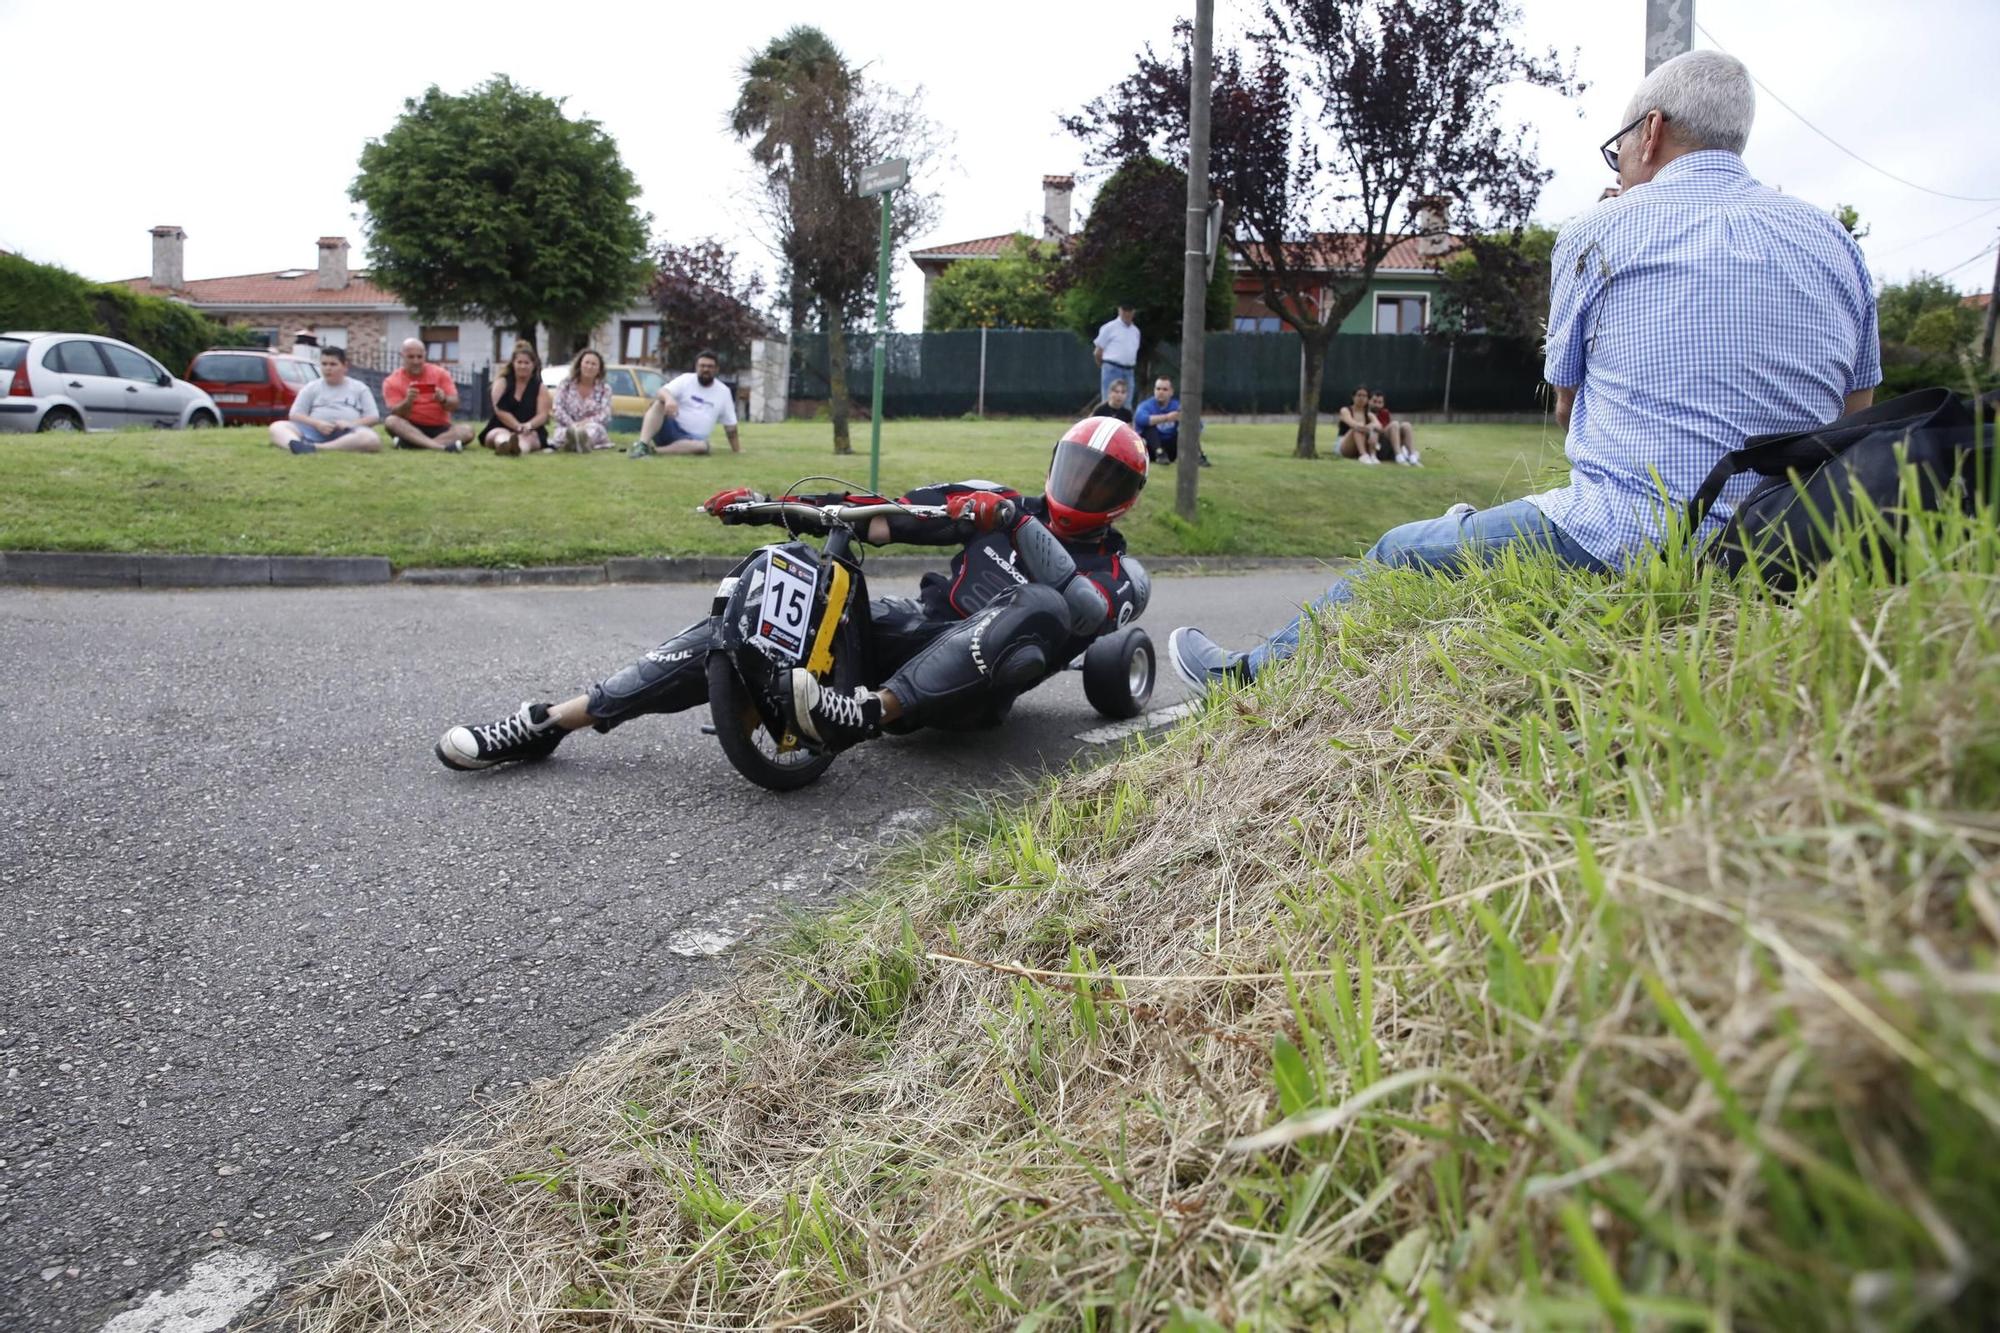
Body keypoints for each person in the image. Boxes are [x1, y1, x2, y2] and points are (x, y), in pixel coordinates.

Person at [1167, 49, 1879, 691]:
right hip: (1785, 541)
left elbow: (1567, 406)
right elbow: (1857, 415)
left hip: (1622, 535)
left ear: (1651, 132)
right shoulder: (1835, 242)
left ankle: (1243, 679)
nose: (1621, 163)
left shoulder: (1599, 232)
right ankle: (1467, 527)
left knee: (1399, 550)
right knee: (1469, 527)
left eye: (1619, 148)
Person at [435, 417, 1153, 769]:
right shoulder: (992, 499)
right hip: (917, 635)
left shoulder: (1120, 576)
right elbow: (885, 516)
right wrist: (771, 506)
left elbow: (1084, 611)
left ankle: (866, 711)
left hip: (981, 683)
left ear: (1122, 501)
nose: (1084, 486)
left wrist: (1014, 522)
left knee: (1046, 605)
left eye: (1103, 481)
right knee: (780, 604)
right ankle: (554, 721)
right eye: (1077, 467)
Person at [269, 346, 380, 453]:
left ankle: (317, 447)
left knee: (371, 439)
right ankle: (295, 445)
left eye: (333, 364)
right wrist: (317, 423)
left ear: (345, 366)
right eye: (324, 364)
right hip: (312, 431)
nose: (328, 368)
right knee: (277, 427)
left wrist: (351, 424)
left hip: (347, 433)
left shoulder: (360, 388)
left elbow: (373, 417)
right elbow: (295, 414)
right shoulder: (311, 387)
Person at [632, 350, 740, 457]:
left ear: (717, 369)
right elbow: (661, 391)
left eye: (710, 366)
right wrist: (669, 399)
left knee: (703, 446)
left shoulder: (723, 392)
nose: (706, 369)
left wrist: (737, 450)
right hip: (670, 429)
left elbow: (730, 426)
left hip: (692, 440)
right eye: (702, 366)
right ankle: (642, 444)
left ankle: (654, 451)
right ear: (696, 367)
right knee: (659, 403)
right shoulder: (685, 379)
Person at [382, 338, 474, 452]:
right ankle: (441, 447)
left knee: (467, 430)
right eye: (411, 357)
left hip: (440, 427)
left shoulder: (440, 373)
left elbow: (455, 404)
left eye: (419, 357)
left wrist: (443, 399)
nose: (416, 361)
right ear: (402, 357)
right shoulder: (391, 381)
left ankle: (414, 444)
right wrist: (408, 400)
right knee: (391, 421)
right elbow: (395, 413)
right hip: (410, 426)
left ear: (425, 356)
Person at [481, 340, 551, 455]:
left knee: (529, 438)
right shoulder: (502, 382)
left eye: (526, 363)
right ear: (513, 363)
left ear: (533, 365)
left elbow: (542, 415)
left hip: (530, 429)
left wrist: (528, 425)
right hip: (501, 426)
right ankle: (504, 445)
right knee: (500, 434)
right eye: (519, 362)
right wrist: (517, 426)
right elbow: (499, 410)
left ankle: (518, 449)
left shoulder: (540, 387)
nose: (523, 366)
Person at [550, 348, 615, 452]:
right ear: (580, 365)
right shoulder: (565, 384)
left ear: (599, 369)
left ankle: (580, 442)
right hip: (567, 426)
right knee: (562, 433)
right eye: (587, 363)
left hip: (591, 427)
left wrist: (585, 423)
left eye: (594, 364)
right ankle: (574, 441)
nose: (589, 367)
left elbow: (605, 414)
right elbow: (557, 408)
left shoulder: (605, 389)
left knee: (594, 430)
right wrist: (572, 424)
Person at [1135, 376, 1207, 466]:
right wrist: (1167, 417)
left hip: (1171, 448)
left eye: (1165, 389)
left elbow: (1199, 426)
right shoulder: (1146, 405)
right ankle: (1160, 453)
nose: (1160, 392)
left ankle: (1198, 455)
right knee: (1149, 428)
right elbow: (1140, 419)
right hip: (1152, 448)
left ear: (1171, 392)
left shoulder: (1177, 406)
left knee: (1185, 427)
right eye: (1158, 389)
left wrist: (1185, 419)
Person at [1093, 302, 1140, 406]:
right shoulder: (1109, 328)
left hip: (1129, 370)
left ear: (1133, 312)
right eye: (1124, 310)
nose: (1127, 313)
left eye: (1129, 310)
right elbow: (1098, 352)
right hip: (1112, 368)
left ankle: (1124, 422)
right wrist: (1105, 367)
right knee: (1108, 402)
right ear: (1119, 310)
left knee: (1127, 403)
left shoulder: (1135, 331)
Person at [1336, 385, 1391, 463]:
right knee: (1358, 427)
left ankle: (1373, 456)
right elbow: (1353, 424)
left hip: (1361, 444)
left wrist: (1372, 429)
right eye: (1359, 395)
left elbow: (1379, 427)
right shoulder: (1345, 410)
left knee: (1374, 429)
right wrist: (1369, 429)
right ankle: (1363, 455)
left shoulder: (1369, 414)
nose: (1361, 398)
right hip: (1344, 446)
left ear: (1368, 399)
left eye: (1364, 396)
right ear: (1353, 397)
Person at [1371, 392, 1419, 465]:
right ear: (1369, 401)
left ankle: (1412, 455)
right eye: (1374, 402)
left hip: (1389, 442)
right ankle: (1398, 455)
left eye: (1380, 402)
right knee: (1394, 424)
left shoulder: (1384, 412)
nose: (1377, 405)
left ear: (1383, 404)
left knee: (1406, 425)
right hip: (1378, 445)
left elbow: (1386, 427)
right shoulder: (1367, 413)